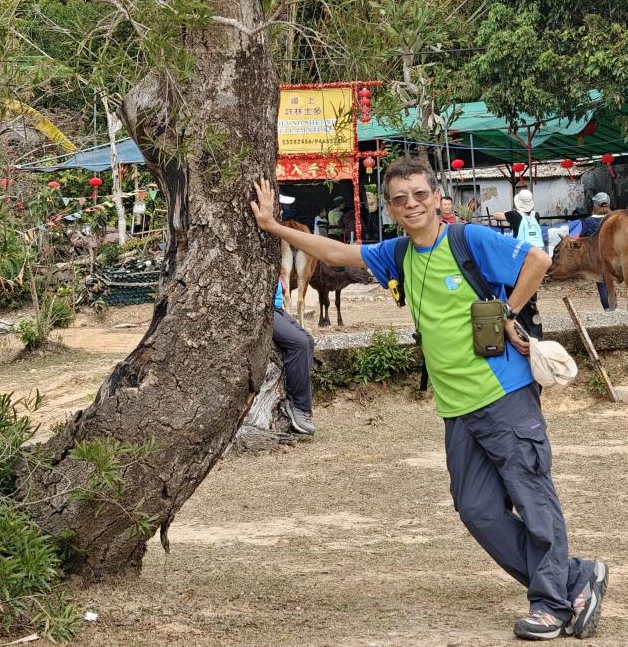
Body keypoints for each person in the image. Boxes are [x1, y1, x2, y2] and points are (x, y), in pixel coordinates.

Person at [252, 163, 608, 641]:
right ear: (390, 208)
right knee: (476, 509)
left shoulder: (468, 239)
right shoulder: (398, 253)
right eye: (400, 198)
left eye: (419, 194)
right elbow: (336, 251)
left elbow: (537, 261)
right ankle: (574, 577)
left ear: (438, 197)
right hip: (456, 407)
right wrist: (273, 226)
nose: (411, 204)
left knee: (531, 496)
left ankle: (551, 604)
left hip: (504, 393)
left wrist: (507, 311)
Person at [271, 273, 317, 435]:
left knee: (308, 341)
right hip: (264, 311)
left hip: (277, 308)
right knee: (299, 343)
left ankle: (296, 398)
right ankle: (298, 405)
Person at [564, 192, 614, 310]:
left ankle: (608, 309)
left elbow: (581, 238)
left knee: (602, 284)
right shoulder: (613, 219)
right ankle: (614, 307)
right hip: (612, 256)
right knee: (610, 282)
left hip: (597, 258)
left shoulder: (588, 221)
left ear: (595, 205)